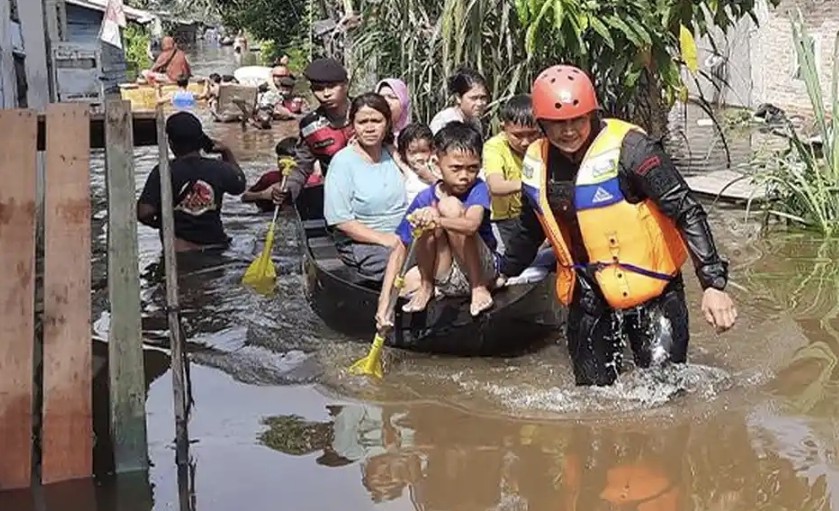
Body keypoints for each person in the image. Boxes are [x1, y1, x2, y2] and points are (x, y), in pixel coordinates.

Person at [497, 64, 737, 386]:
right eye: (557, 124)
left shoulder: (634, 151)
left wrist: (712, 284)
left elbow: (686, 210)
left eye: (577, 120)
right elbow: (530, 227)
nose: (568, 131)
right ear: (542, 124)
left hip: (653, 293)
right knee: (593, 398)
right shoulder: (537, 163)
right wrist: (500, 273)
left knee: (663, 392)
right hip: (588, 293)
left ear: (592, 115)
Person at [376, 121, 497, 327]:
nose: (464, 176)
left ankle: (478, 287)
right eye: (456, 168)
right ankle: (427, 286)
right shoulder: (424, 198)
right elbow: (400, 249)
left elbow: (471, 225)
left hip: (479, 269)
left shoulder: (478, 188)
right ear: (435, 164)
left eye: (472, 168)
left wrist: (437, 219)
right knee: (425, 216)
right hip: (446, 272)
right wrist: (383, 304)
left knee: (447, 206)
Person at [323, 93, 408, 283]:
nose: (369, 128)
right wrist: (385, 239)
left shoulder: (394, 156)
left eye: (376, 121)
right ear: (353, 125)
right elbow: (341, 221)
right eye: (363, 122)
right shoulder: (343, 162)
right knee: (407, 273)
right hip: (365, 243)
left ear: (386, 124)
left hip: (405, 235)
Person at [137, 112, 247, 252]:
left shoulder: (164, 171)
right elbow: (240, 184)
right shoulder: (219, 168)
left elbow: (144, 213)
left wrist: (164, 224)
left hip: (181, 249)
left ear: (170, 142)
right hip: (217, 247)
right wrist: (227, 152)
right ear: (201, 140)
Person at [271, 58, 353, 206]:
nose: (326, 94)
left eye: (332, 86)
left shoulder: (367, 114)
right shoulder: (310, 127)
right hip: (339, 199)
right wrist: (288, 189)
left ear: (346, 85)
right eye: (318, 88)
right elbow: (301, 167)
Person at [482, 94, 540, 253]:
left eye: (532, 134)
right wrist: (533, 184)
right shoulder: (494, 147)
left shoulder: (543, 145)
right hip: (501, 221)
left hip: (533, 217)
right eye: (518, 135)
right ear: (503, 128)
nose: (525, 142)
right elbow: (496, 186)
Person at [241, 137, 322, 212]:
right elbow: (245, 197)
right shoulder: (270, 178)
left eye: (287, 160)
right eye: (279, 159)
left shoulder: (311, 181)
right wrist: (263, 195)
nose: (282, 164)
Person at [429, 67, 488, 135]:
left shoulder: (476, 123)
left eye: (483, 97)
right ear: (458, 98)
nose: (479, 103)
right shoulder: (444, 121)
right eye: (474, 98)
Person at [395, 123, 438, 201]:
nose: (419, 157)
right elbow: (393, 152)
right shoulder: (407, 170)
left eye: (423, 151)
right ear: (403, 153)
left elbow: (443, 188)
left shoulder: (436, 168)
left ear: (432, 150)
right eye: (413, 153)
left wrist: (429, 177)